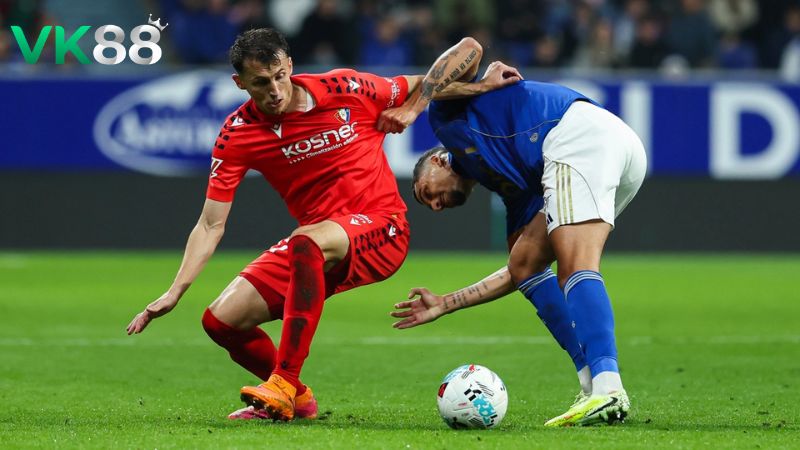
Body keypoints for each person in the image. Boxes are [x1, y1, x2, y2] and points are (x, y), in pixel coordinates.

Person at [125, 28, 519, 422]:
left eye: (280, 75)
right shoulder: (237, 135)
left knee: (306, 242)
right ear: (239, 83)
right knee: (221, 322)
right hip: (318, 241)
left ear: (290, 66)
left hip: (383, 229)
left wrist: (473, 88)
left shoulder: (346, 88)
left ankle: (282, 381)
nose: (275, 90)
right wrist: (176, 291)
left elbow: (466, 53)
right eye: (261, 83)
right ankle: (298, 399)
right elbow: (210, 225)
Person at [378, 61, 646, 427]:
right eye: (433, 206)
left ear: (439, 159)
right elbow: (517, 272)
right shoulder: (513, 188)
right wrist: (446, 303)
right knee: (528, 264)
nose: (437, 205)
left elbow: (467, 50)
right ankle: (592, 385)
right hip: (616, 147)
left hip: (575, 136)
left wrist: (473, 88)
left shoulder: (447, 122)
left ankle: (608, 389)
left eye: (428, 193)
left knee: (576, 265)